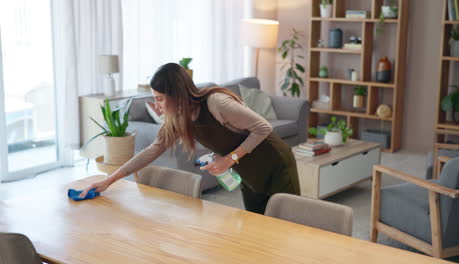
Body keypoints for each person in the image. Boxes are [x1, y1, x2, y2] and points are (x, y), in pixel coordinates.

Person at [80, 63, 300, 214]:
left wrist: (230, 158)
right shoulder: (179, 118)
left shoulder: (216, 103)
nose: (157, 107)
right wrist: (109, 180)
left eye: (159, 99)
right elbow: (152, 150)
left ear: (177, 95)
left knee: (288, 225)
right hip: (249, 172)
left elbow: (263, 127)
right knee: (259, 227)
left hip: (275, 163)